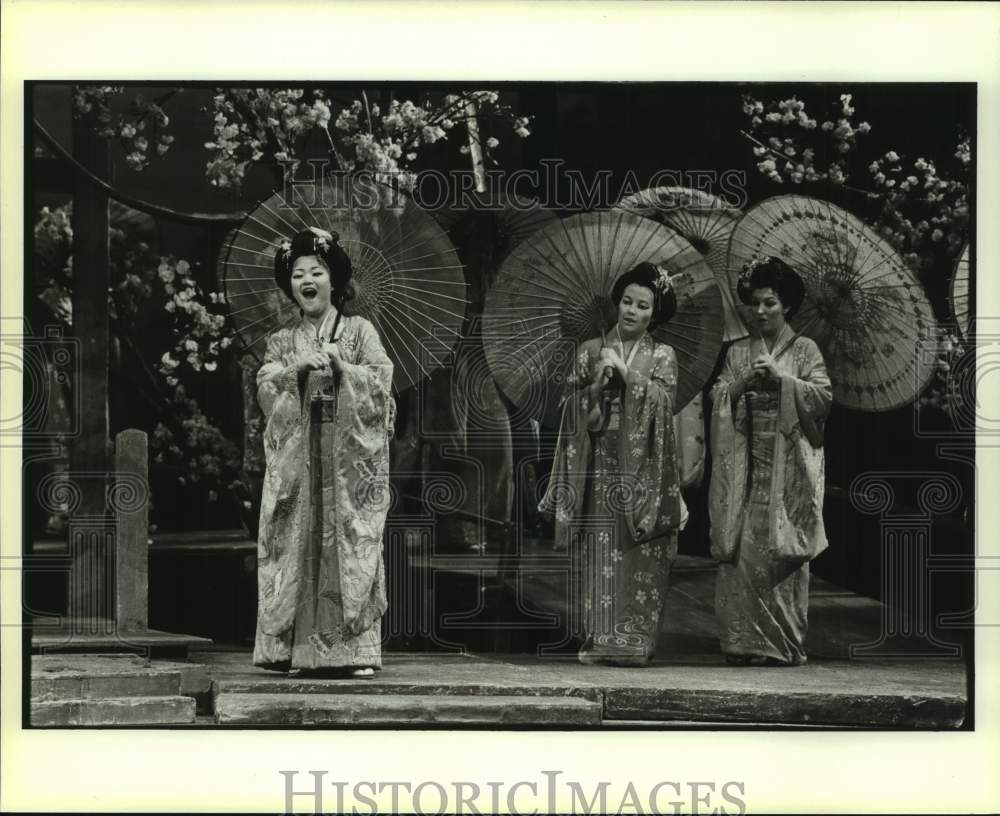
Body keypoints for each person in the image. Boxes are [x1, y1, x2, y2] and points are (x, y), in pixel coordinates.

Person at [253, 227, 394, 676]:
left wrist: (343, 367)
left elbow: (381, 385)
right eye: (297, 274)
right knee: (294, 539)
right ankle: (290, 649)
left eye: (316, 271)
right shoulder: (281, 340)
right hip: (300, 456)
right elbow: (264, 389)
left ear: (335, 281)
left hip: (346, 457)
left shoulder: (359, 331)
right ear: (290, 285)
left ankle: (350, 650)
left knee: (347, 543)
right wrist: (295, 368)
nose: (307, 280)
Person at [540, 262, 683, 666]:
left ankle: (635, 642)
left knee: (638, 551)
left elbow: (666, 405)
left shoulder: (662, 355)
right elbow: (568, 409)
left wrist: (632, 381)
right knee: (600, 552)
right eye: (626, 301)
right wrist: (596, 389)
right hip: (599, 462)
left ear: (655, 314)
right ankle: (601, 638)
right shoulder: (589, 350)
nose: (632, 311)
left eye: (642, 305)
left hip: (641, 470)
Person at [709, 256, 832, 666]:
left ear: (788, 306)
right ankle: (741, 642)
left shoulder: (805, 349)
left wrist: (783, 381)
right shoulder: (738, 351)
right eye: (756, 303)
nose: (760, 311)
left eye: (770, 303)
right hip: (745, 466)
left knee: (780, 555)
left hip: (786, 467)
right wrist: (744, 382)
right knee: (742, 551)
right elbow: (719, 397)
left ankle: (780, 643)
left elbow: (823, 398)